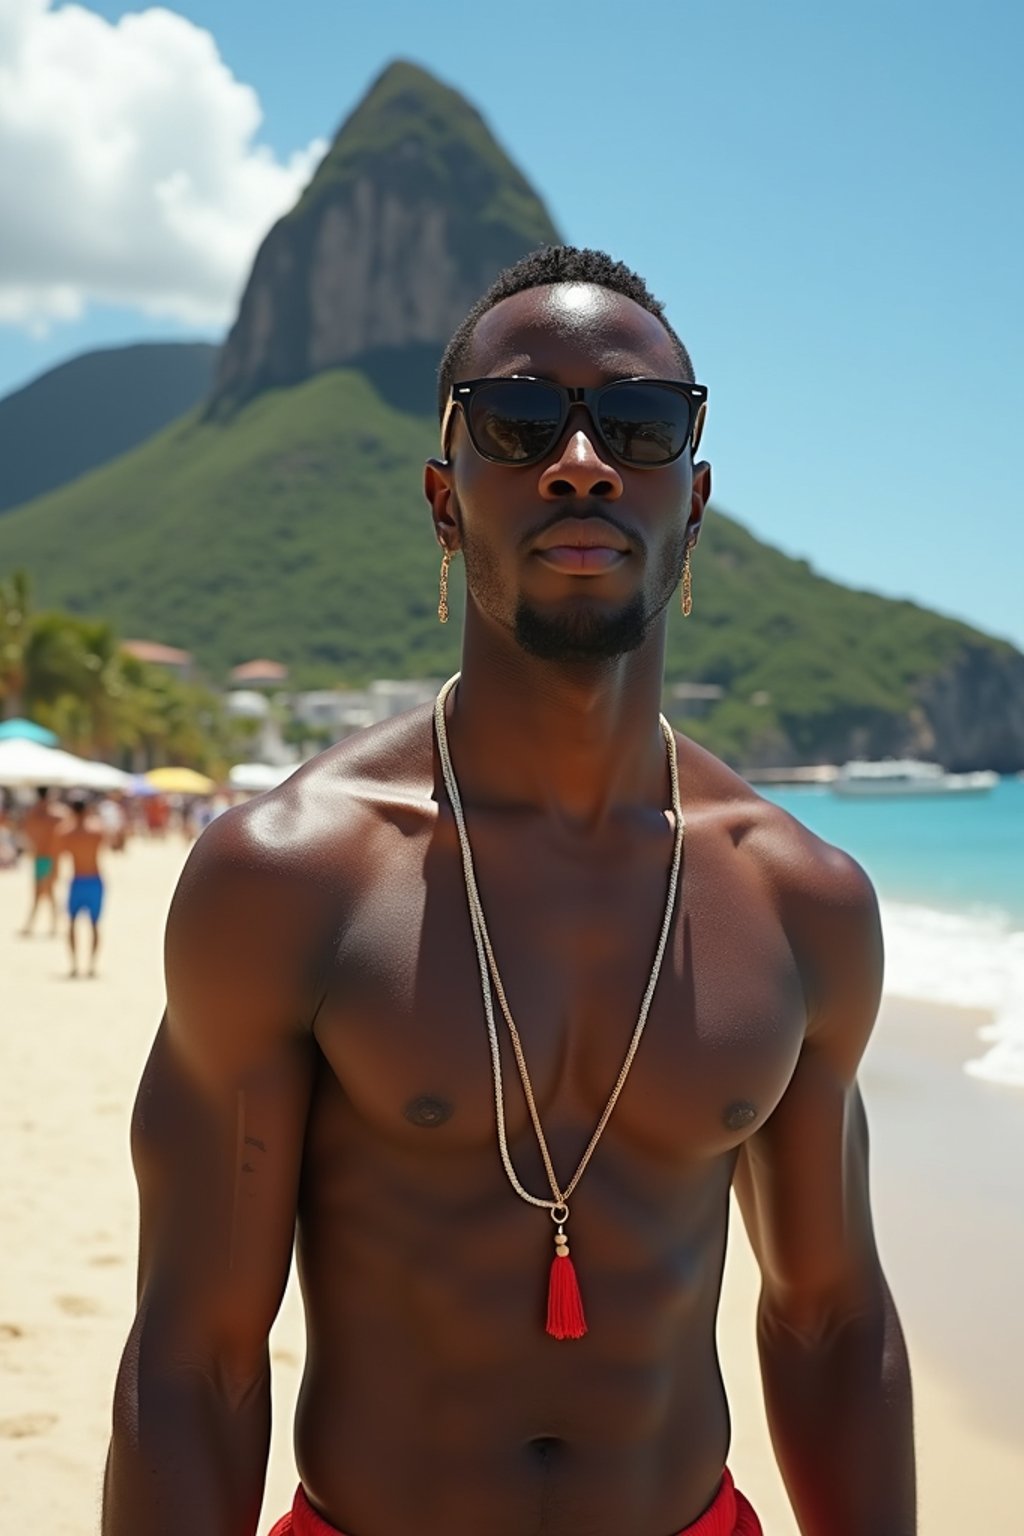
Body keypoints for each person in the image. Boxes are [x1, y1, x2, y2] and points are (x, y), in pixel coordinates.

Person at [103, 246, 915, 1536]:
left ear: (691, 501)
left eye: (640, 426)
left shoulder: (799, 900)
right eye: (520, 419)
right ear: (444, 495)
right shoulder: (292, 876)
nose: (582, 459)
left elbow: (829, 1317)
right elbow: (193, 1355)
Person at [59, 794, 106, 978]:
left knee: (71, 923)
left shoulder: (66, 833)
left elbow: (57, 855)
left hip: (77, 880)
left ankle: (74, 965)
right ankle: (92, 966)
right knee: (94, 924)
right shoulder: (97, 830)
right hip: (95, 880)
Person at [18, 785, 67, 936]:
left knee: (40, 891)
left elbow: (25, 831)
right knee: (48, 891)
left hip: (41, 857)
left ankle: (35, 924)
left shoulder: (33, 814)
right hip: (52, 857)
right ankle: (51, 924)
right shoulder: (57, 813)